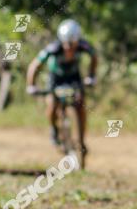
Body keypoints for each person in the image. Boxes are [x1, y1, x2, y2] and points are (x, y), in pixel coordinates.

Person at [26, 20, 97, 151]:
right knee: (52, 105)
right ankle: (54, 129)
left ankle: (81, 141)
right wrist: (31, 85)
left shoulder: (83, 46)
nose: (69, 48)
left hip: (74, 76)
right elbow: (34, 66)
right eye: (66, 44)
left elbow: (94, 57)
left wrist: (91, 76)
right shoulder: (53, 48)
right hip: (55, 77)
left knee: (80, 104)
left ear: (77, 41)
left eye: (72, 44)